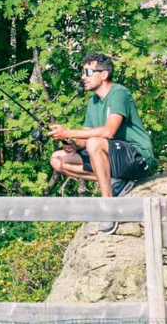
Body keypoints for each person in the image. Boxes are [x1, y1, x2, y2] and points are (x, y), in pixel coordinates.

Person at [48, 53, 154, 232]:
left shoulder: (119, 93)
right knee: (57, 159)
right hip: (111, 156)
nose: (83, 77)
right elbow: (86, 136)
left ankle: (108, 208)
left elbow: (108, 131)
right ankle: (117, 181)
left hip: (137, 158)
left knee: (95, 143)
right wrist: (72, 142)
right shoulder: (93, 101)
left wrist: (69, 132)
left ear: (103, 75)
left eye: (88, 72)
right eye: (82, 72)